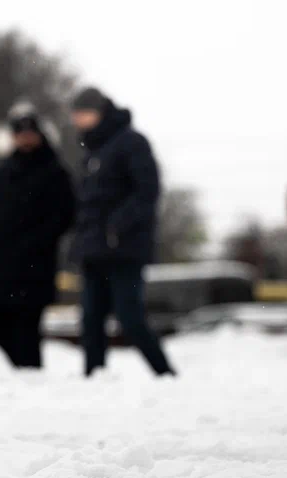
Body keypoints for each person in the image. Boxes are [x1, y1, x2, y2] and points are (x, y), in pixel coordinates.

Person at [69, 87, 176, 377]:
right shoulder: (91, 152)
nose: (77, 120)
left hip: (124, 249)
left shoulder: (131, 143)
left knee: (130, 318)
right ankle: (93, 378)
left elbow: (147, 191)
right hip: (93, 250)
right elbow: (86, 204)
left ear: (97, 112)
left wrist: (117, 226)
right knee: (91, 320)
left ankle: (165, 375)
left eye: (81, 114)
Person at [0, 102, 76, 368]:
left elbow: (65, 215)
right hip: (4, 264)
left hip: (36, 264)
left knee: (27, 327)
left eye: (30, 132)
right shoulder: (4, 171)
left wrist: (38, 242)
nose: (25, 138)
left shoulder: (54, 171)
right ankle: (17, 373)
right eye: (20, 133)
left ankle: (30, 378)